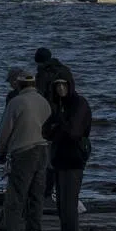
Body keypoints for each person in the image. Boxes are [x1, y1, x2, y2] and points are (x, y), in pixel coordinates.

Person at [0, 73, 51, 231]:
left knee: (16, 196)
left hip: (23, 153)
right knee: (36, 195)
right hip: (43, 151)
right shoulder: (43, 101)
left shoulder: (16, 102)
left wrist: (0, 153)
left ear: (19, 86)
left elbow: (4, 131)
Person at [41, 76, 92, 231]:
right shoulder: (59, 105)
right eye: (57, 86)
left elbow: (74, 132)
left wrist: (59, 127)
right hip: (59, 160)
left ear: (70, 86)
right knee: (62, 206)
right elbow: (45, 131)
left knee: (69, 207)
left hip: (73, 160)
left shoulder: (79, 104)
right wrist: (58, 128)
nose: (60, 89)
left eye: (63, 85)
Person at [34, 47, 74, 200]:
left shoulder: (43, 74)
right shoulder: (65, 70)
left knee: (49, 157)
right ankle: (61, 190)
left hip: (50, 118)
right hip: (66, 118)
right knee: (59, 155)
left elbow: (41, 97)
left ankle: (47, 192)